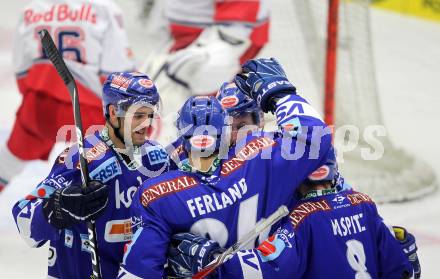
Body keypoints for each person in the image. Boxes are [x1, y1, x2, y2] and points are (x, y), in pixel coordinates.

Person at [117, 58, 334, 278]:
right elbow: (315, 137)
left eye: (242, 123)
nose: (239, 133)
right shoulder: (263, 153)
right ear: (225, 131)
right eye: (233, 124)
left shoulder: (157, 191)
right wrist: (280, 93)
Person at [12, 72, 169, 279]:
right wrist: (58, 207)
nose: (146, 124)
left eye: (150, 115)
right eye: (138, 116)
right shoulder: (81, 159)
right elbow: (24, 220)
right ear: (114, 113)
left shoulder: (157, 158)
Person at [167, 159, 421, 279]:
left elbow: (270, 266)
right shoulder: (364, 204)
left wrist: (213, 260)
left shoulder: (303, 218)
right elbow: (404, 269)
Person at [0, 0, 135, 193]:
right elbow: (114, 74)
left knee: (7, 162)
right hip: (88, 110)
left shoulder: (30, 9)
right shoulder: (104, 8)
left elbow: (22, 73)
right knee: (117, 167)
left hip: (38, 105)